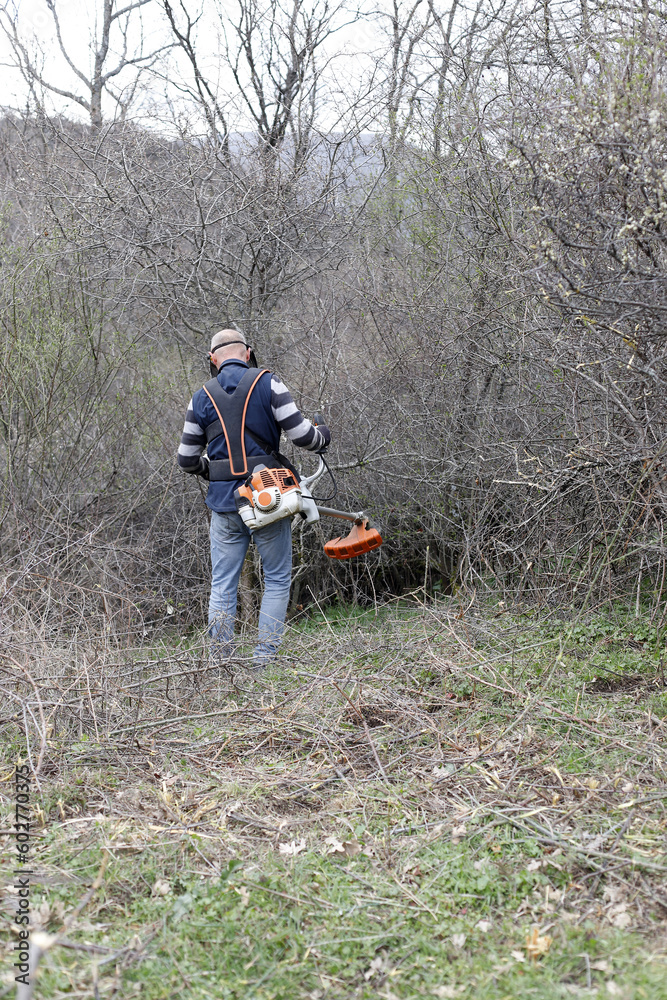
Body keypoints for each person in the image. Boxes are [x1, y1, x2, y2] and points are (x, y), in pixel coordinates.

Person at [178, 329, 330, 668]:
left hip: (224, 504)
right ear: (248, 353)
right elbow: (303, 436)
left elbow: (186, 460)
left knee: (223, 584)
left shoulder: (199, 397)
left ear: (213, 360)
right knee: (276, 578)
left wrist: (212, 470)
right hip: (268, 501)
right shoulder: (269, 383)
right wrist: (323, 437)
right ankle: (264, 661)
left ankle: (223, 664)